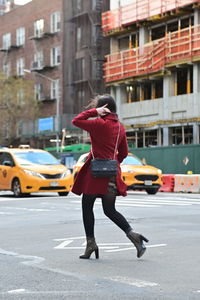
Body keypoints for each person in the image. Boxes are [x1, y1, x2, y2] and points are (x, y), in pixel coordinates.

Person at [72, 94, 148, 259]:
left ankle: (91, 244)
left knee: (87, 207)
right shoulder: (120, 127)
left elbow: (76, 121)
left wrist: (94, 111)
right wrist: (112, 162)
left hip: (95, 174)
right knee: (110, 210)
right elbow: (125, 153)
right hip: (112, 174)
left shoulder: (98, 124)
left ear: (104, 108)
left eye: (99, 108)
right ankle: (133, 235)